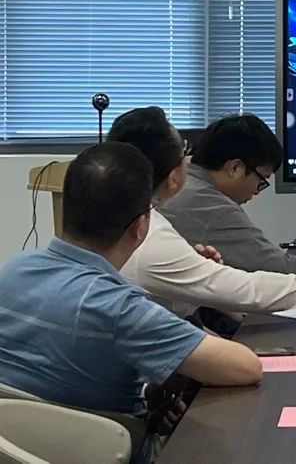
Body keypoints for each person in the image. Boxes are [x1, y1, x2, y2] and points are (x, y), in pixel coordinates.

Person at [0, 143, 262, 420]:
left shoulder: (15, 269)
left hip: (16, 437)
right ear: (140, 226)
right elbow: (246, 367)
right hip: (108, 440)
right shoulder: (120, 308)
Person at [110, 107, 296, 318]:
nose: (188, 162)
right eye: (183, 153)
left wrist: (198, 267)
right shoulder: (187, 212)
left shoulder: (134, 217)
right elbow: (255, 281)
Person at [158, 114, 296, 275]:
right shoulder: (211, 205)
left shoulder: (179, 182)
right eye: (261, 180)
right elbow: (271, 265)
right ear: (235, 168)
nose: (257, 191)